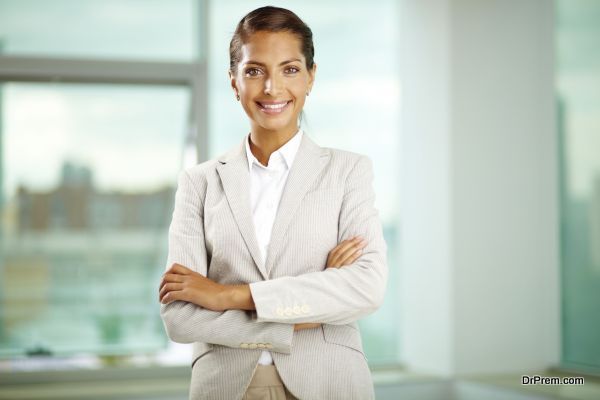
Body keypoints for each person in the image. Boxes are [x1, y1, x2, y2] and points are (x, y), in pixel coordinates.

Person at [158, 6, 388, 400]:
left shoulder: (349, 172)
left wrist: (225, 295)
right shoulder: (200, 183)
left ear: (311, 77)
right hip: (225, 387)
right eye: (254, 70)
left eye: (290, 69)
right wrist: (312, 309)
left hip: (330, 383)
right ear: (234, 82)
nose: (272, 87)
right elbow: (180, 318)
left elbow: (366, 287)